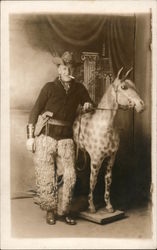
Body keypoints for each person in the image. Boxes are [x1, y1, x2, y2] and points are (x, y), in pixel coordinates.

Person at [26, 51, 93, 225]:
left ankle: (64, 211)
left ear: (74, 69)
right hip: (46, 137)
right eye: (63, 67)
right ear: (59, 69)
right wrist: (30, 137)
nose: (66, 70)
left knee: (69, 176)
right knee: (46, 175)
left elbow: (89, 103)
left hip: (66, 139)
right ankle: (50, 210)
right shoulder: (49, 87)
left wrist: (87, 104)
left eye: (69, 67)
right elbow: (35, 110)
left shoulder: (79, 88)